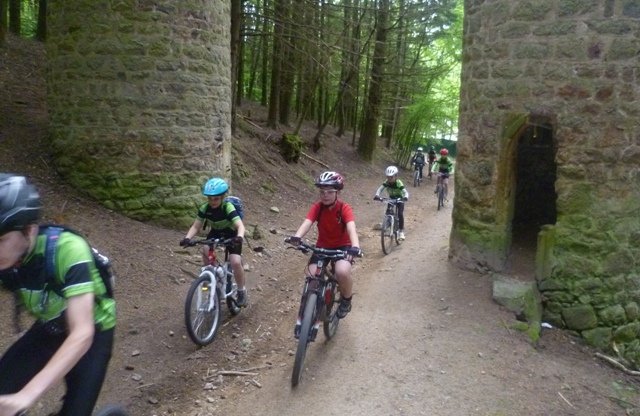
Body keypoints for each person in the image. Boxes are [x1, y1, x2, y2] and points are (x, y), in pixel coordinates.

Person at [0, 174, 116, 416]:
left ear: (29, 230)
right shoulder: (8, 257)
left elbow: (82, 333)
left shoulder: (68, 250)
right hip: (51, 326)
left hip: (92, 331)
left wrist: (27, 395)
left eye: (1, 239)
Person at [288, 171, 361, 327]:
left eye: (329, 192)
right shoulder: (318, 207)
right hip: (322, 246)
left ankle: (346, 301)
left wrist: (355, 247)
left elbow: (351, 228)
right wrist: (297, 237)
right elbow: (307, 222)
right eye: (322, 192)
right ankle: (307, 312)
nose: (325, 195)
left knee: (341, 272)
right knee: (311, 275)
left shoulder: (344, 208)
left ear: (337, 192)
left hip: (343, 247)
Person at [180, 177, 248, 307]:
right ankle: (212, 278)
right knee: (206, 251)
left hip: (232, 234)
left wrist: (239, 237)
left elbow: (240, 226)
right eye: (210, 199)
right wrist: (187, 238)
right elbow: (196, 226)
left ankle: (241, 291)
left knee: (235, 261)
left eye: (216, 198)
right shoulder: (205, 208)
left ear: (222, 197)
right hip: (215, 232)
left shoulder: (227, 207)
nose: (212, 202)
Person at [373, 166, 409, 241]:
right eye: (388, 177)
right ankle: (387, 225)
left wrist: (405, 197)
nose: (389, 179)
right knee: (388, 212)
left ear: (396, 176)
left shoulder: (398, 183)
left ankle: (401, 231)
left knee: (400, 214)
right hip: (391, 198)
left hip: (400, 199)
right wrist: (377, 195)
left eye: (391, 177)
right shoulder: (387, 182)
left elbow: (405, 192)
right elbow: (380, 189)